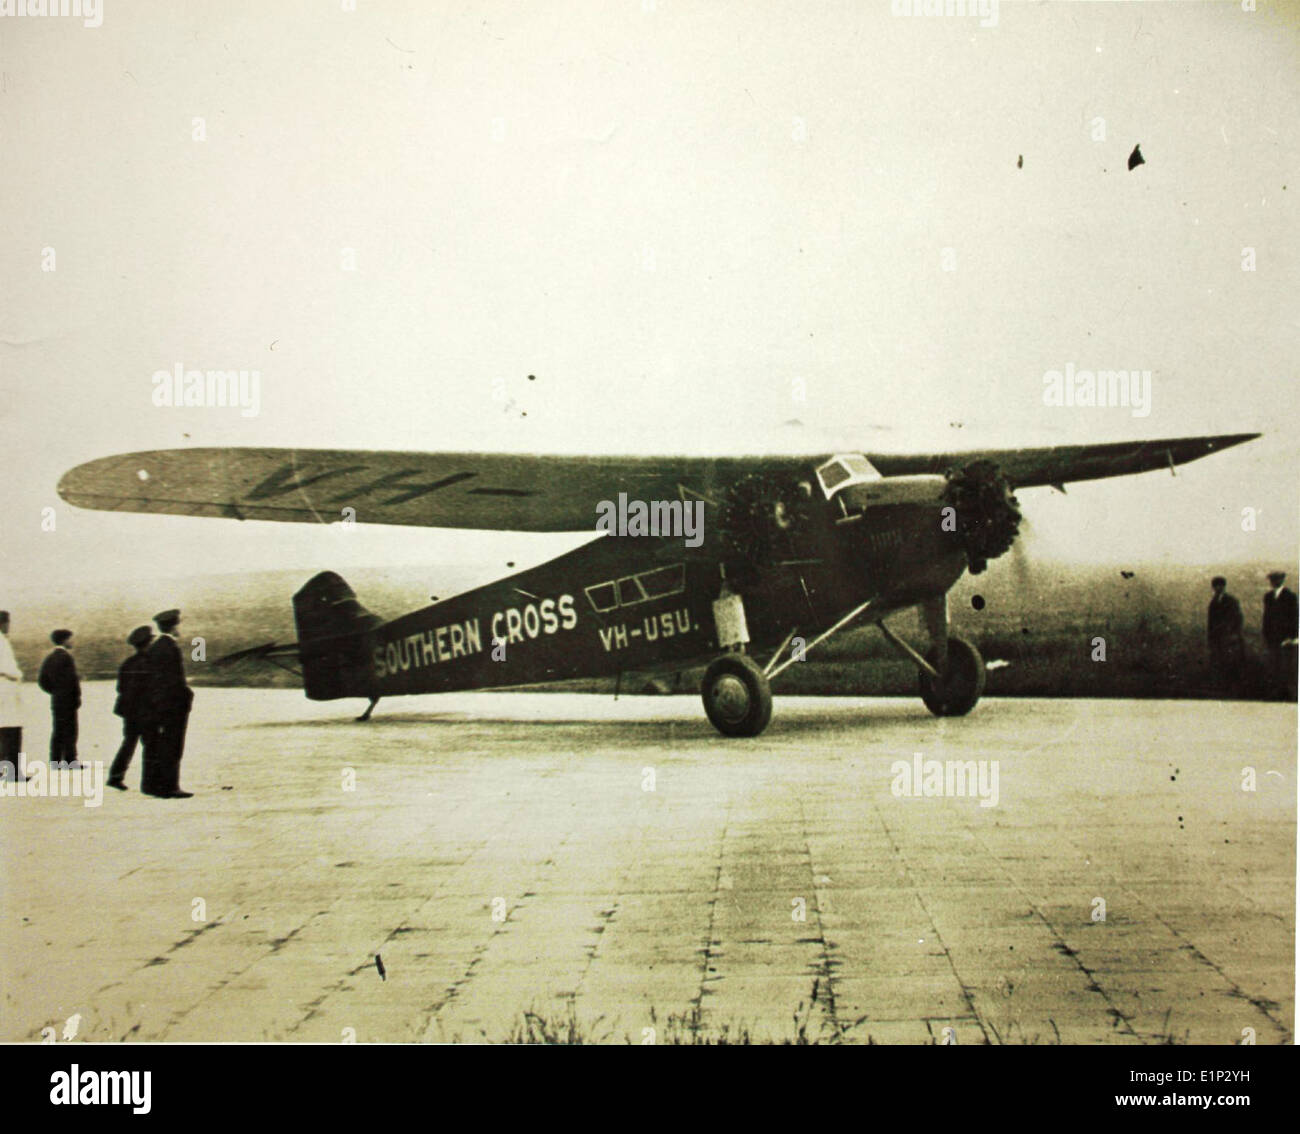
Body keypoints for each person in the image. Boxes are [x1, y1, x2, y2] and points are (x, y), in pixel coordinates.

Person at [145, 610, 193, 798]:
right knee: (173, 745)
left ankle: (159, 785)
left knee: (164, 744)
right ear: (174, 626)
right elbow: (174, 679)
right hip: (173, 704)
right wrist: (186, 695)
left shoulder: (156, 647)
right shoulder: (170, 647)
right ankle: (171, 786)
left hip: (161, 704)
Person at [107, 626, 155, 791]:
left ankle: (115, 776)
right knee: (151, 745)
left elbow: (120, 688)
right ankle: (150, 781)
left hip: (129, 711)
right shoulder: (150, 663)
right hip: (145, 711)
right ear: (148, 643)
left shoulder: (128, 663)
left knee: (129, 743)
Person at [37, 629, 80, 769]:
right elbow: (72, 681)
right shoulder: (66, 657)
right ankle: (70, 761)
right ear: (65, 640)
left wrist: (55, 692)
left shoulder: (50, 658)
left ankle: (55, 761)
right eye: (71, 638)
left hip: (57, 700)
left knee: (58, 731)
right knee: (71, 731)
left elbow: (42, 680)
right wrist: (74, 696)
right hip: (68, 701)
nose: (73, 641)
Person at [1262, 571, 1298, 699]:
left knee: (1287, 666)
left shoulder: (1290, 596)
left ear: (1282, 580)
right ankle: (1276, 694)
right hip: (1273, 637)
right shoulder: (1268, 596)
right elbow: (1266, 617)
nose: (1274, 582)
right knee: (1274, 665)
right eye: (1272, 579)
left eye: (1277, 579)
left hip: (1286, 638)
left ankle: (1288, 694)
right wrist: (1266, 634)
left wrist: (1292, 637)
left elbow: (1294, 617)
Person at [0, 611, 26, 783]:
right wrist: (16, 675)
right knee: (11, 730)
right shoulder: (2, 641)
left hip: (5, 688)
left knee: (4, 730)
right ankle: (13, 771)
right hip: (6, 688)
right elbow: (8, 668)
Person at [1206, 576, 1244, 689]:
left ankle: (1232, 684)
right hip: (1217, 637)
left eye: (1220, 585)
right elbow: (1211, 622)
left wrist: (1233, 633)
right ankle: (1221, 684)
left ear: (1224, 586)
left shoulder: (1231, 601)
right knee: (1218, 660)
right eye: (1215, 586)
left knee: (1230, 661)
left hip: (1228, 637)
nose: (1218, 588)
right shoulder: (1213, 602)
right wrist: (1210, 637)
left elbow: (1237, 618)